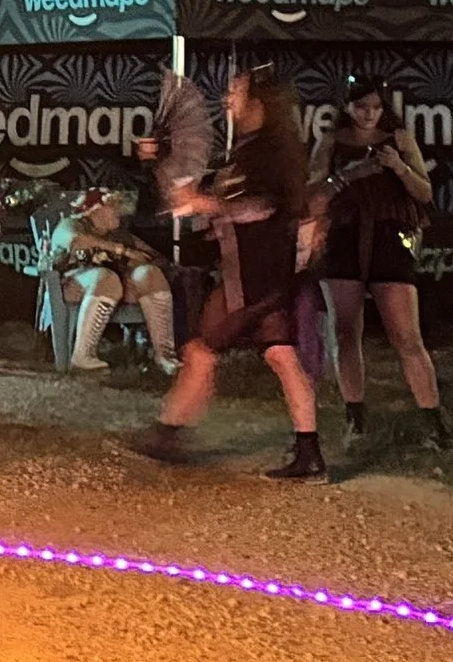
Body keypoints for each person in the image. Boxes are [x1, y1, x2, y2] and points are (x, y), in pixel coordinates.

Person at [129, 66, 323, 482]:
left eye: (235, 92)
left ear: (259, 103)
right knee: (280, 355)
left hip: (253, 278)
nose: (227, 99)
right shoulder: (250, 150)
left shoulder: (268, 153)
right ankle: (310, 453)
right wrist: (166, 165)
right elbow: (225, 200)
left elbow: (263, 207)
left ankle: (166, 437)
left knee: (200, 351)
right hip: (254, 274)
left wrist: (206, 204)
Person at [310, 76, 450, 450]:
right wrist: (347, 176)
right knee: (345, 331)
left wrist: (399, 168)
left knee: (407, 336)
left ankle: (434, 423)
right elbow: (312, 197)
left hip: (389, 236)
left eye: (375, 107)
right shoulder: (331, 142)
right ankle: (355, 416)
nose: (369, 114)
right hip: (343, 237)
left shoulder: (400, 139)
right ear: (347, 107)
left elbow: (425, 192)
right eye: (360, 107)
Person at [42, 186, 173, 374]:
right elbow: (73, 240)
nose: (120, 211)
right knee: (106, 277)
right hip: (73, 286)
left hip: (115, 290)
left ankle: (164, 356)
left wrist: (141, 263)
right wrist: (120, 250)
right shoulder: (72, 224)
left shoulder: (121, 235)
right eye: (113, 206)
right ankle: (82, 356)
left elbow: (156, 257)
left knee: (149, 274)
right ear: (95, 209)